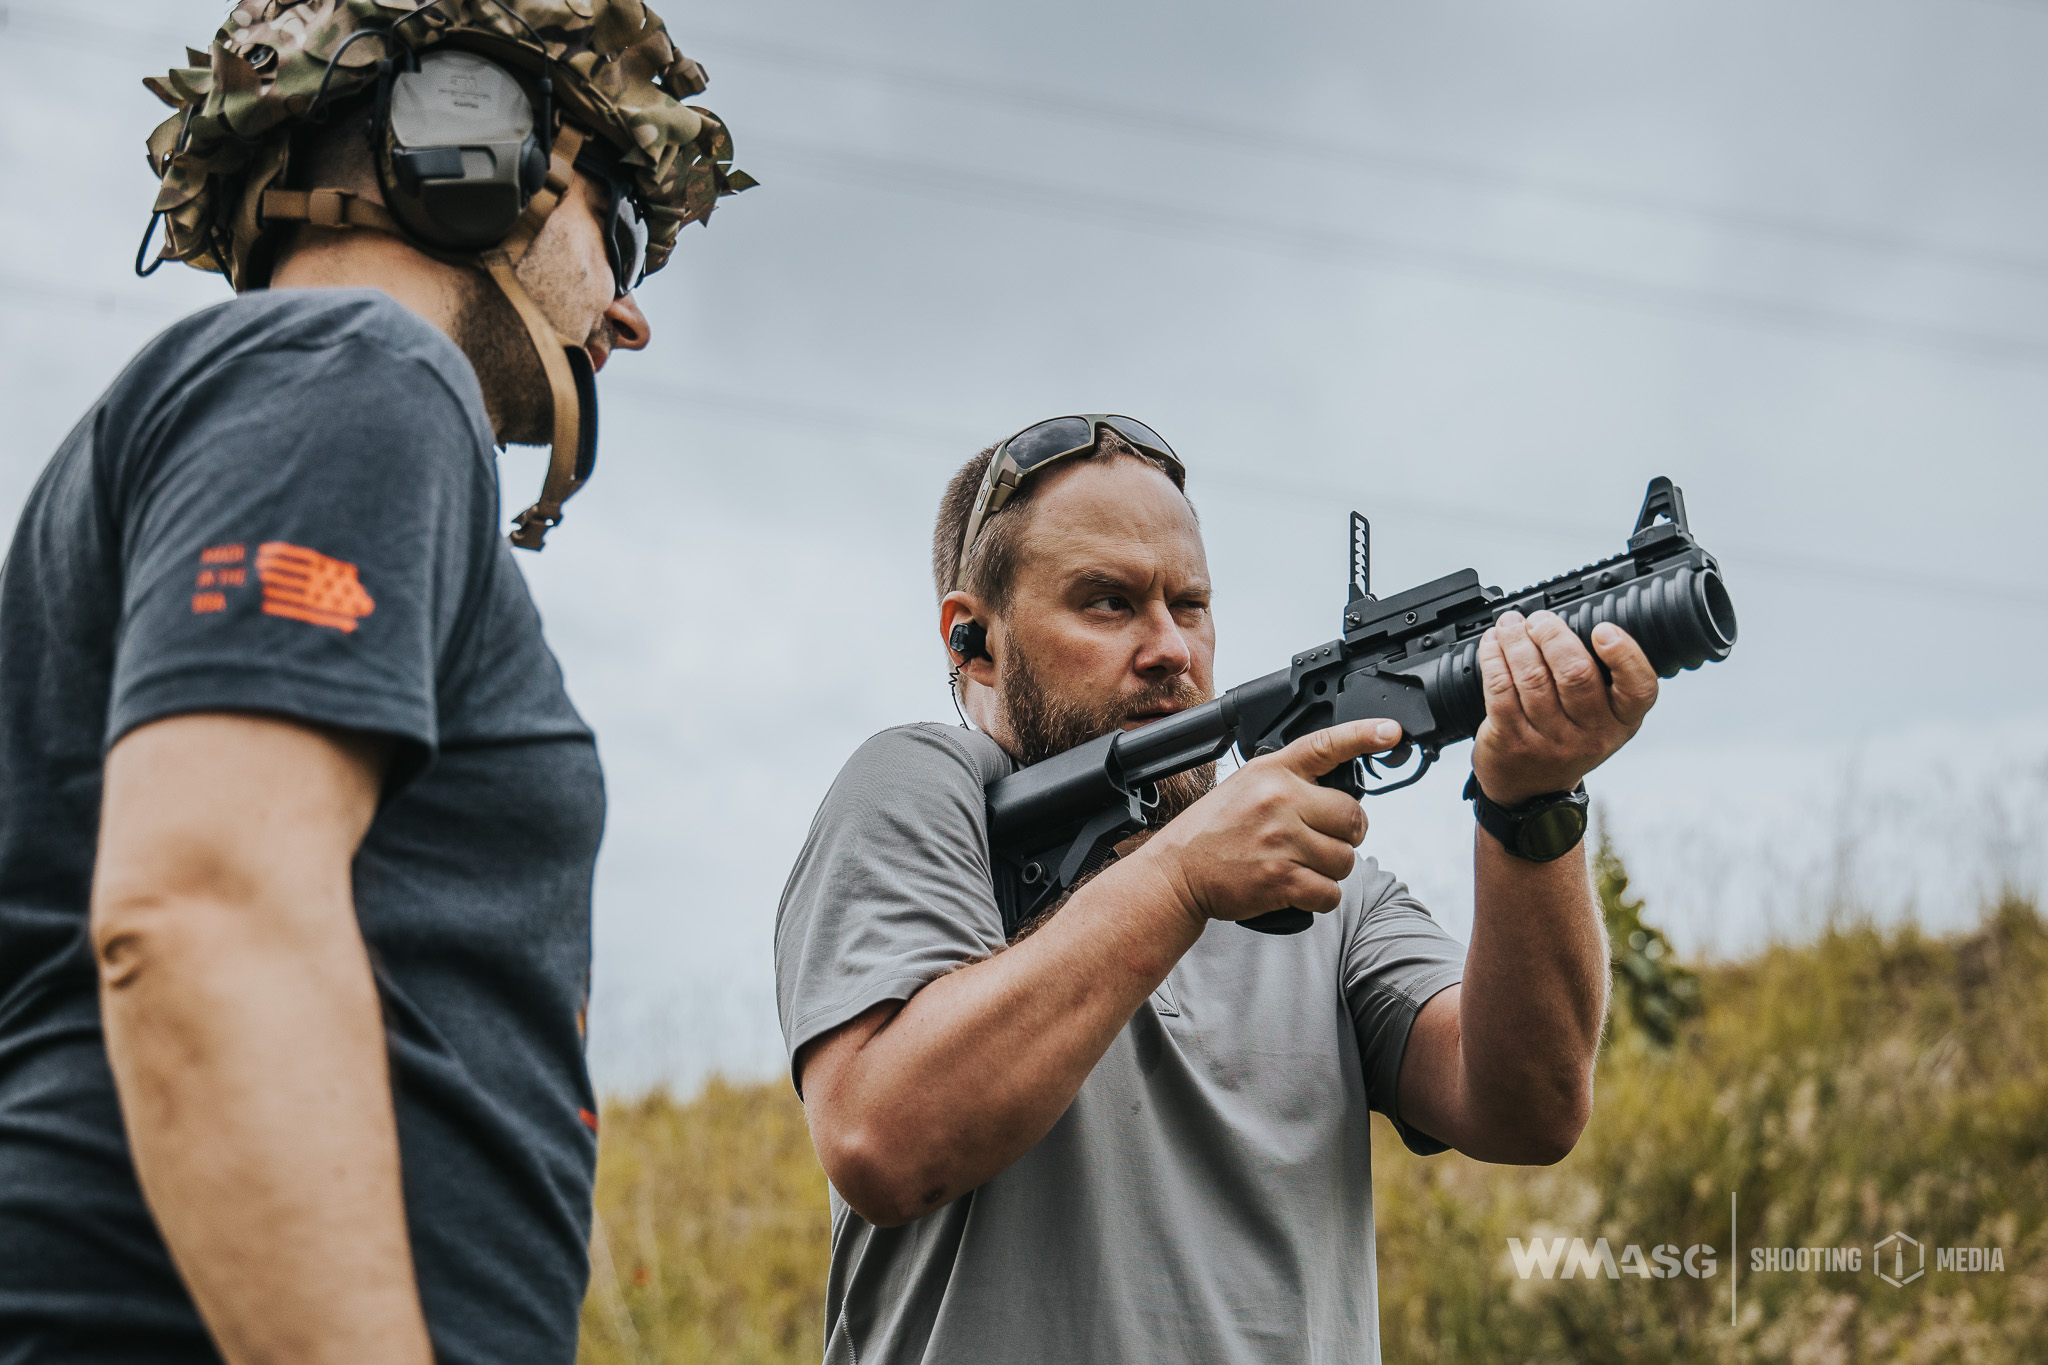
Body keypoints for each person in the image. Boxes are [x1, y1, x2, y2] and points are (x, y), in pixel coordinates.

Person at [0, 4, 747, 1363]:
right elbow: (205, 915)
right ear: (473, 151)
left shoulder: (299, 405)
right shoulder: (355, 370)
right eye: (618, 238)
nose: (627, 319)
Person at [775, 416, 1663, 1363]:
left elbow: (1527, 1106)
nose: (1171, 649)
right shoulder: (920, 787)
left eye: (1189, 604)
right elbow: (883, 1135)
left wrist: (1529, 809)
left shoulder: (1332, 897)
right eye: (1109, 603)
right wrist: (1184, 875)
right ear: (973, 641)